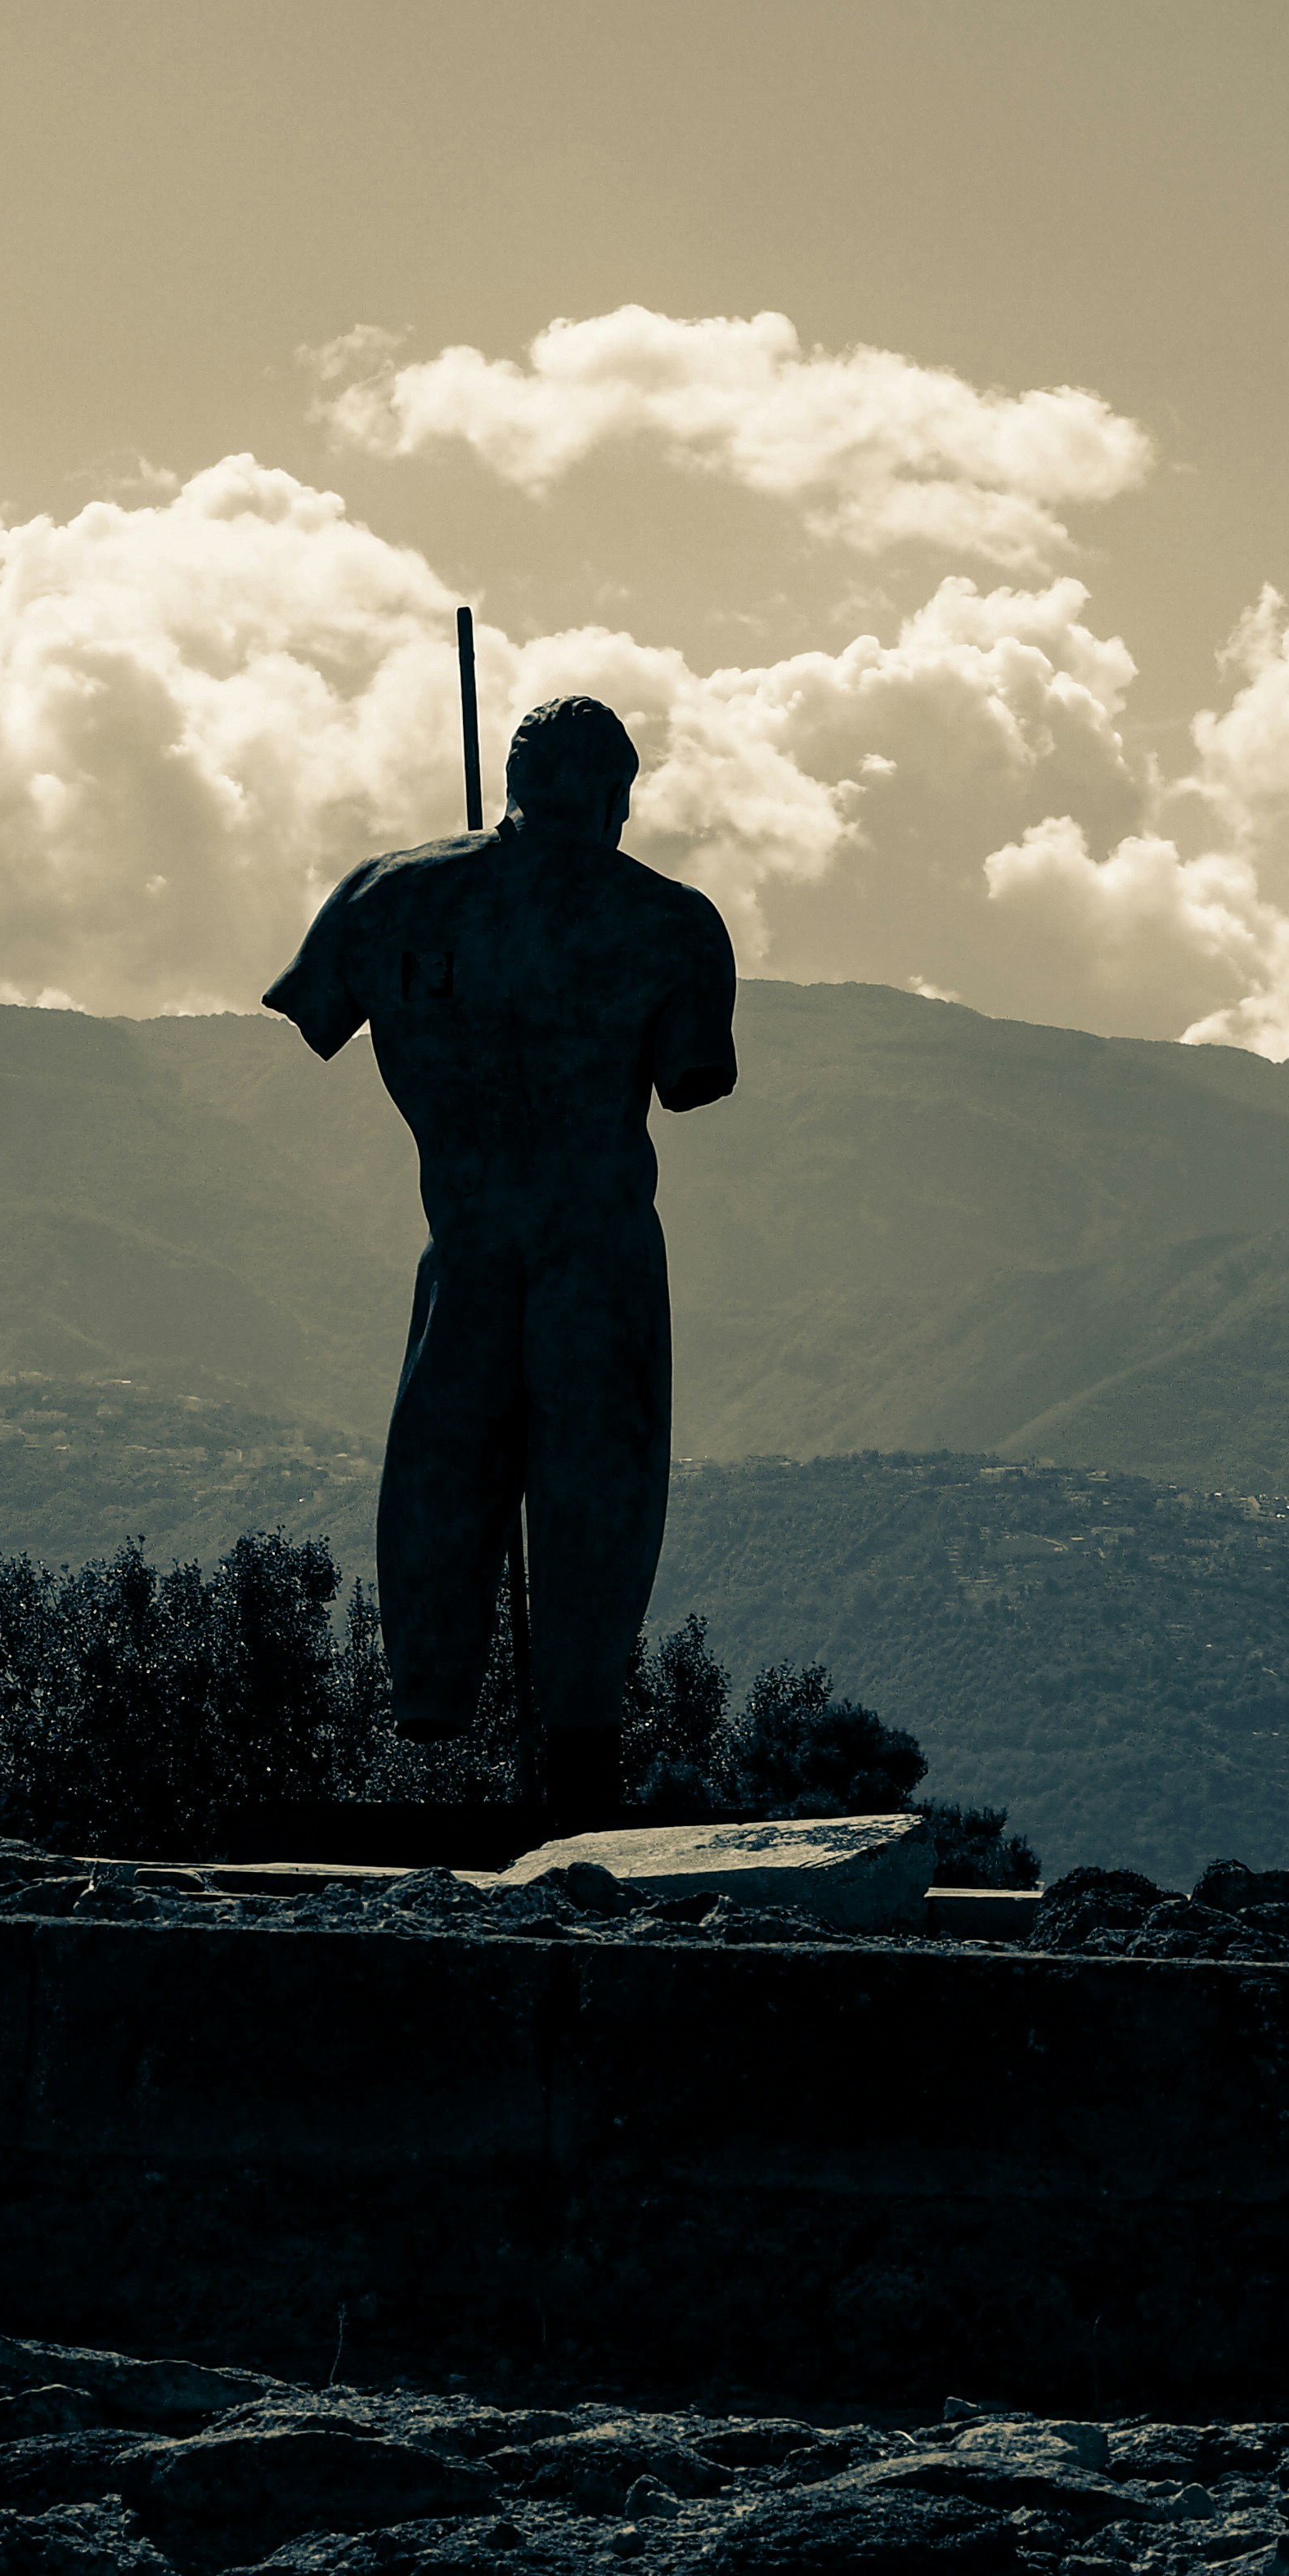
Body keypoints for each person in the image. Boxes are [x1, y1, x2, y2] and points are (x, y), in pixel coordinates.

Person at [263, 693, 736, 1841]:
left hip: (467, 1232)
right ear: (621, 795)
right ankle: (578, 1732)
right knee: (597, 1490)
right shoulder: (667, 924)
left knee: (442, 1457)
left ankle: (431, 1701)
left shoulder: (389, 897)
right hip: (597, 1245)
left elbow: (316, 1013)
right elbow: (693, 1081)